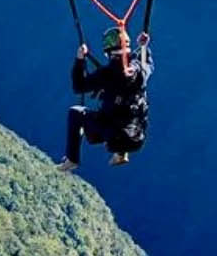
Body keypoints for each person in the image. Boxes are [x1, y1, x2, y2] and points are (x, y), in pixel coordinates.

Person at [58, 27, 152, 171]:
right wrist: (144, 47)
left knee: (76, 113)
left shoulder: (106, 74)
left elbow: (79, 86)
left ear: (108, 51)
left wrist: (80, 60)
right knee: (125, 113)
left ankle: (72, 159)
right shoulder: (140, 71)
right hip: (137, 139)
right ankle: (121, 154)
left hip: (114, 138)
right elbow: (146, 63)